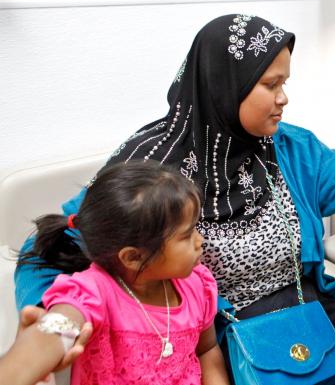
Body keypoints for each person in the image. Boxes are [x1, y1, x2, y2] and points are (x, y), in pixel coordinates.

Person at [14, 14, 335, 384]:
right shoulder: (150, 167)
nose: (284, 97)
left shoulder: (293, 149)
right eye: (270, 83)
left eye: (285, 82)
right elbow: (55, 245)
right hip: (211, 331)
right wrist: (47, 319)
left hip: (304, 301)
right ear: (225, 83)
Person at [2, 161, 229, 385]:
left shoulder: (197, 284)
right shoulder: (91, 293)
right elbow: (55, 331)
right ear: (133, 257)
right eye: (187, 235)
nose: (200, 241)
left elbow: (206, 350)